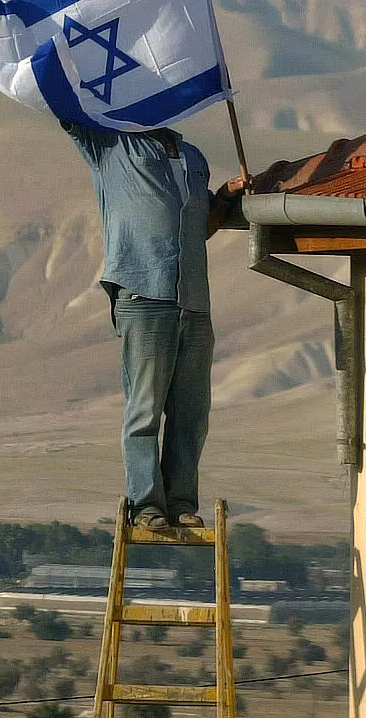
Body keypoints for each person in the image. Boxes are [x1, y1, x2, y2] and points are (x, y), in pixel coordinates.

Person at [60, 119, 246, 530]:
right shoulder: (112, 147)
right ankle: (147, 506)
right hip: (143, 296)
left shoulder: (193, 158)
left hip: (193, 300)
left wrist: (228, 197)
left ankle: (181, 502)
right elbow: (70, 115)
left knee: (191, 412)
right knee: (145, 409)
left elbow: (200, 227)